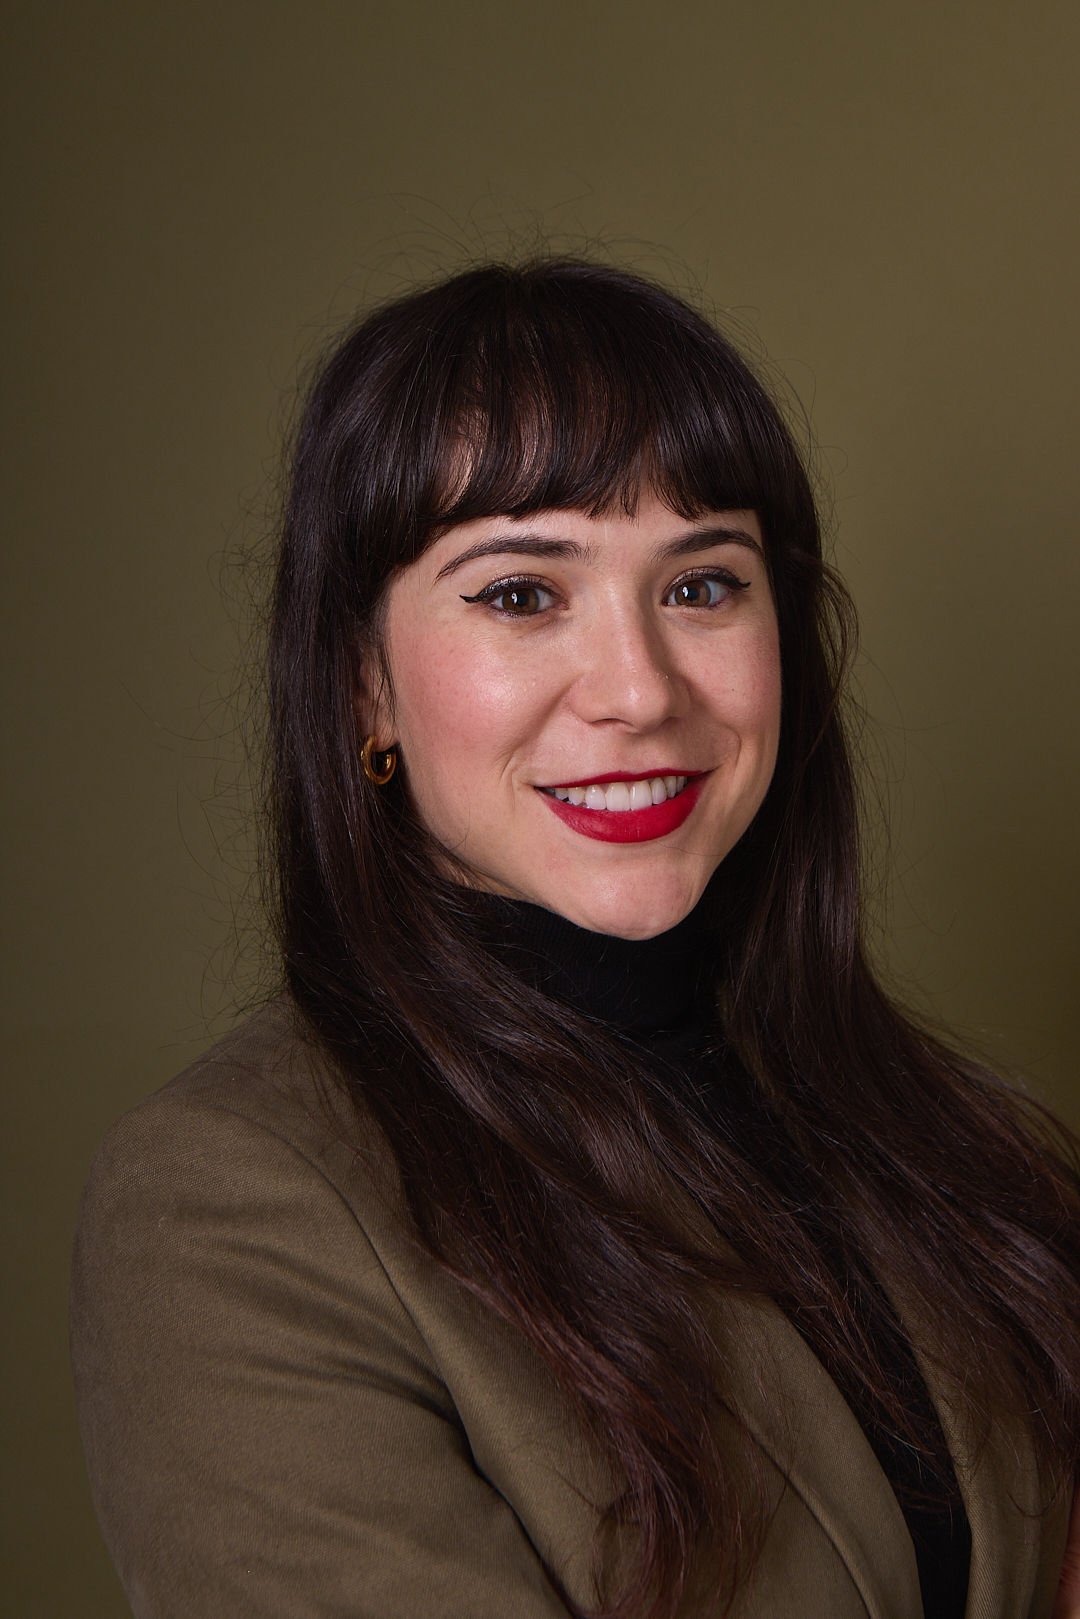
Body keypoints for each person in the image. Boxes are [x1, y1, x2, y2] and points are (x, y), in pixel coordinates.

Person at [71, 259, 1080, 1619]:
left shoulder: (934, 1136)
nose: (637, 690)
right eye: (520, 594)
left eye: (702, 585)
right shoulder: (230, 1205)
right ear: (363, 684)